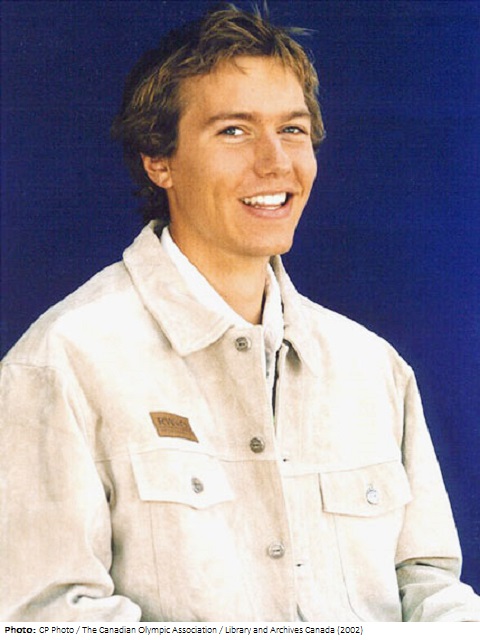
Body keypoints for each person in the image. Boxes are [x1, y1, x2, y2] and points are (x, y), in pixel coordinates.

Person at [1, 3, 479, 623]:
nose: (275, 162)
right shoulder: (63, 363)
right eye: (233, 130)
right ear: (159, 159)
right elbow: (43, 618)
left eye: (293, 130)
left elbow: (429, 588)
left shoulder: (373, 368)